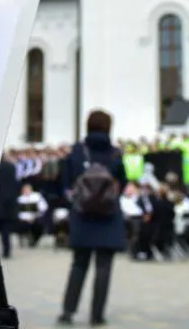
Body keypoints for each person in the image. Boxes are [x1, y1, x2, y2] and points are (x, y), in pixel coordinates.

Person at [58, 110, 127, 326]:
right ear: (108, 127)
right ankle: (97, 315)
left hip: (83, 215)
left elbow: (66, 184)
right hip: (108, 216)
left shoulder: (77, 152)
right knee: (103, 266)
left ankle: (68, 311)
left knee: (79, 264)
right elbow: (122, 184)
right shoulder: (115, 154)